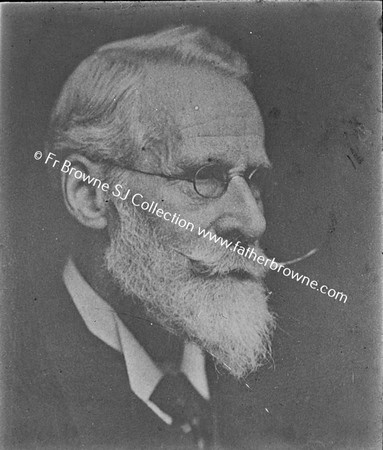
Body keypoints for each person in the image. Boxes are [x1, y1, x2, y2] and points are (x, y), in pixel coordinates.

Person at [13, 25, 276, 449]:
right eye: (203, 177)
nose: (252, 223)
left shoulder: (287, 397)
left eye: (253, 179)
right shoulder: (15, 387)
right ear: (91, 195)